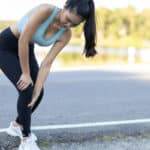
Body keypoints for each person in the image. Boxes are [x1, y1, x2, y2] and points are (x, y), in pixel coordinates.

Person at [0, 0, 97, 149]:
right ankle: (26, 139)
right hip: (6, 46)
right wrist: (25, 73)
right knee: (26, 89)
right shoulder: (45, 10)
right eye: (69, 20)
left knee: (38, 93)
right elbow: (23, 40)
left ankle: (17, 126)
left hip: (27, 48)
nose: (68, 25)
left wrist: (38, 89)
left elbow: (47, 63)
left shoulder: (66, 34)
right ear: (65, 6)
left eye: (74, 25)